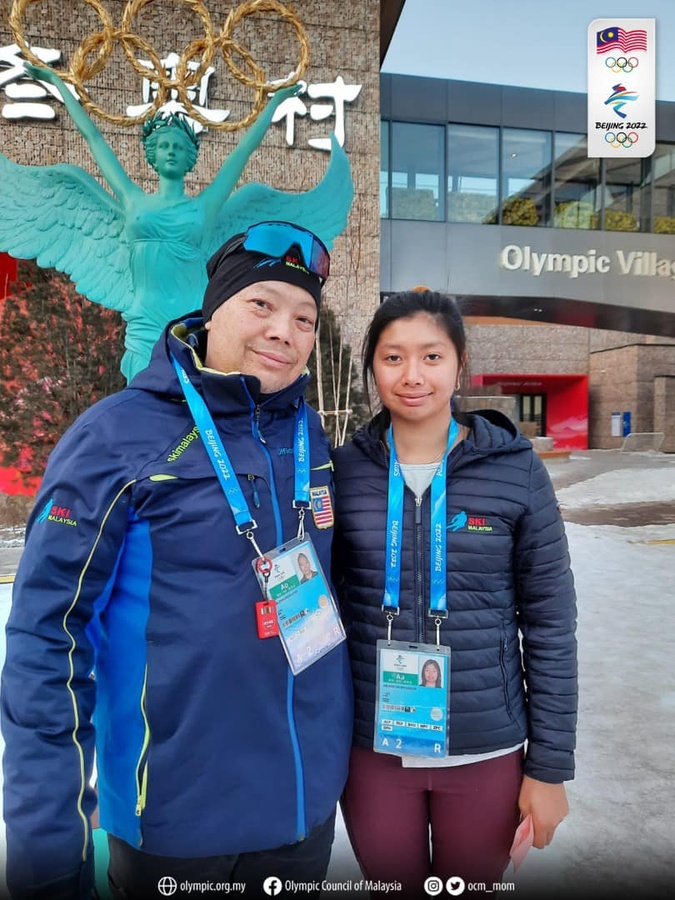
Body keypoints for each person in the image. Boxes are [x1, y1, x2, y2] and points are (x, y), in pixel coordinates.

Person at [1, 221, 353, 900]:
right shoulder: (116, 434)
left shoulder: (304, 430)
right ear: (213, 306)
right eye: (262, 305)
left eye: (304, 317)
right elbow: (47, 640)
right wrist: (48, 856)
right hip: (174, 826)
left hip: (301, 817)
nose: (284, 330)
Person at [332, 290, 577, 895]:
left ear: (459, 364)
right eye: (392, 358)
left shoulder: (515, 469)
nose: (412, 376)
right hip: (371, 751)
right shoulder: (342, 471)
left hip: (484, 750)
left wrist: (548, 768)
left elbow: (549, 625)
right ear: (372, 367)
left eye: (432, 357)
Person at [0, 64, 351, 382]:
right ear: (151, 154)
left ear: (189, 158)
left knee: (195, 403)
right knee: (146, 398)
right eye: (164, 145)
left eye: (178, 147)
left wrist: (274, 106)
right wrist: (61, 87)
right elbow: (93, 139)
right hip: (145, 318)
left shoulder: (206, 208)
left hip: (192, 317)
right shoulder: (132, 199)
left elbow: (243, 153)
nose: (170, 151)